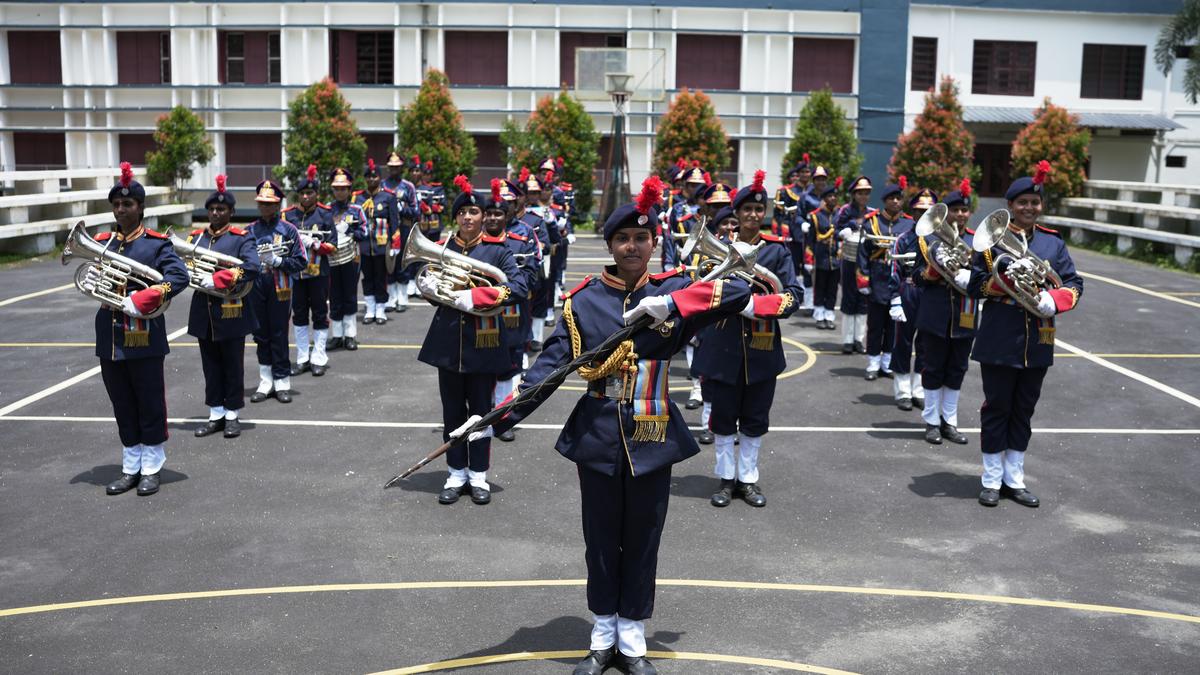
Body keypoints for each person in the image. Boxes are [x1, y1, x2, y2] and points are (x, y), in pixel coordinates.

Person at [455, 177, 756, 675]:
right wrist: (493, 418)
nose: (632, 247)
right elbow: (548, 370)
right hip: (597, 432)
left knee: (643, 536)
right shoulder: (583, 301)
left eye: (641, 238)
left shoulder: (675, 288)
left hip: (653, 430)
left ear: (654, 243)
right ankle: (601, 636)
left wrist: (673, 305)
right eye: (623, 239)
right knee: (599, 537)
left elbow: (740, 289)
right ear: (610, 246)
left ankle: (632, 639)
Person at [967, 163, 1083, 508]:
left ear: (1041, 205)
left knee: (1024, 409)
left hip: (1038, 337)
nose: (1029, 208)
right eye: (1022, 202)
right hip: (1000, 335)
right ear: (1010, 205)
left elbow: (1073, 282)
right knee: (997, 407)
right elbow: (973, 285)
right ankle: (991, 479)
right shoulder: (990, 242)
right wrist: (1003, 280)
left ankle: (1014, 479)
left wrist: (1054, 300)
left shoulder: (1052, 242)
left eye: (1035, 202)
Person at [692, 170, 802, 509]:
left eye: (758, 209)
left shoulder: (777, 253)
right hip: (722, 347)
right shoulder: (719, 249)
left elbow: (793, 295)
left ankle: (748, 479)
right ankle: (726, 479)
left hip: (762, 350)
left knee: (755, 418)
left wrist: (756, 306)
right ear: (737, 213)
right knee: (723, 418)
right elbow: (700, 291)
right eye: (747, 210)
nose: (753, 215)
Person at [418, 176, 527, 506]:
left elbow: (518, 288)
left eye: (474, 212)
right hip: (448, 343)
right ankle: (456, 473)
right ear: (456, 217)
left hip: (485, 342)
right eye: (462, 212)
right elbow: (433, 288)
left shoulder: (497, 251)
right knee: (452, 412)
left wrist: (476, 296)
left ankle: (478, 474)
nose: (468, 217)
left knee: (480, 414)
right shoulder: (443, 249)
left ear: (483, 217)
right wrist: (430, 291)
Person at [91, 162, 189, 496]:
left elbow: (178, 278)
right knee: (121, 403)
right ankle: (130, 466)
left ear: (141, 207)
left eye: (127, 204)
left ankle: (151, 467)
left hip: (143, 334)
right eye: (116, 204)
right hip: (110, 337)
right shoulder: (104, 243)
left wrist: (143, 298)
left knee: (149, 403)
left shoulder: (157, 245)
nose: (121, 209)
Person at [188, 175, 260, 439]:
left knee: (232, 366)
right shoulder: (196, 238)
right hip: (204, 312)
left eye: (221, 209)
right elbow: (184, 266)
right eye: (212, 209)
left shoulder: (241, 238)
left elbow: (252, 267)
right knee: (210, 366)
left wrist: (218, 278)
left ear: (232, 212)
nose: (216, 213)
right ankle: (215, 414)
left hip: (231, 311)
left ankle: (232, 415)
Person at [911, 179, 977, 445]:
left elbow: (986, 278)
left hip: (965, 311)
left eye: (964, 210)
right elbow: (915, 276)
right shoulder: (928, 239)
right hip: (935, 312)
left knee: (957, 368)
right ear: (946, 212)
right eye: (956, 209)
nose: (960, 214)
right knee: (933, 367)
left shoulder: (976, 241)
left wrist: (971, 276)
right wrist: (929, 273)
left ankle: (950, 421)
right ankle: (931, 422)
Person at [483, 178, 540, 444]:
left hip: (512, 312)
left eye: (502, 209)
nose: (496, 216)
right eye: (491, 211)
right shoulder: (476, 239)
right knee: (482, 363)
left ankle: (503, 416)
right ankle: (483, 412)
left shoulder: (524, 235)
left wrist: (503, 290)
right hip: (480, 313)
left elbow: (532, 275)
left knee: (510, 364)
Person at [248, 179, 308, 404]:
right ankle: (266, 381)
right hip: (255, 289)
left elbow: (301, 261)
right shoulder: (249, 230)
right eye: (261, 203)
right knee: (260, 335)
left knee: (279, 334)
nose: (264, 207)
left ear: (277, 205)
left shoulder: (288, 229)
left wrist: (278, 261)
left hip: (280, 288)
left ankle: (282, 381)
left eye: (269, 203)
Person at [857, 177, 914, 379]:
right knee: (876, 324)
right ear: (884, 200)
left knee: (893, 325)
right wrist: (863, 279)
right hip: (878, 277)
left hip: (900, 279)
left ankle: (887, 363)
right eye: (891, 198)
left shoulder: (909, 223)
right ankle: (873, 363)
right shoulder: (872, 222)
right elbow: (863, 252)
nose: (895, 202)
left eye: (898, 198)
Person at [283, 164, 336, 377]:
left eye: (310, 193)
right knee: (299, 314)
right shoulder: (289, 215)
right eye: (303, 193)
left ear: (316, 194)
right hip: (296, 274)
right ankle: (303, 357)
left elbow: (333, 246)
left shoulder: (325, 215)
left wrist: (314, 244)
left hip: (318, 273)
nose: (306, 197)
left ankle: (319, 357)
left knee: (320, 313)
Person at [886, 187, 934, 410]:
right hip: (908, 292)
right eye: (919, 211)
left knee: (926, 344)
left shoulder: (939, 239)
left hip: (930, 294)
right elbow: (894, 270)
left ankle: (919, 389)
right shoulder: (903, 239)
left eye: (928, 211)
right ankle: (903, 391)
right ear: (913, 213)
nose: (923, 215)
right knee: (902, 342)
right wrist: (895, 299)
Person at [326, 168, 369, 351]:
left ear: (350, 189)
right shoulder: (327, 209)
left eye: (343, 188)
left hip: (352, 258)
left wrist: (350, 230)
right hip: (331, 258)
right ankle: (337, 335)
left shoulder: (357, 209)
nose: (340, 192)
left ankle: (350, 335)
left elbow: (365, 232)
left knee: (350, 295)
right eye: (336, 188)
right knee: (334, 295)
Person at [354, 158, 400, 325]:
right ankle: (370, 308)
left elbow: (394, 222)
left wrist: (395, 244)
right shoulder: (358, 198)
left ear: (380, 178)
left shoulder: (388, 197)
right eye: (368, 176)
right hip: (364, 246)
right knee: (367, 277)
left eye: (375, 176)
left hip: (381, 245)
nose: (371, 179)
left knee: (381, 278)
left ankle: (380, 309)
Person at [834, 176, 873, 354]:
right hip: (849, 259)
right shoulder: (845, 210)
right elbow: (835, 231)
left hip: (866, 261)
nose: (863, 196)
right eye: (860, 193)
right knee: (849, 298)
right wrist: (845, 230)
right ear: (854, 194)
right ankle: (848, 340)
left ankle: (859, 339)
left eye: (866, 193)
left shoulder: (873, 213)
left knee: (863, 299)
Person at [382, 151, 419, 312]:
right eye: (391, 167)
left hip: (404, 228)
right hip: (386, 229)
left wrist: (400, 208)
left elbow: (415, 210)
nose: (394, 169)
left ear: (402, 168)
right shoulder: (382, 185)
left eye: (397, 167)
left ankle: (403, 297)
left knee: (403, 261)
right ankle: (391, 298)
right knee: (388, 262)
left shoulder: (408, 186)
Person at [805, 179, 842, 330]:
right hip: (821, 258)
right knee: (820, 288)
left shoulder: (840, 215)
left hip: (836, 259)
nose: (833, 198)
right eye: (829, 196)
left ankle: (829, 316)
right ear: (824, 199)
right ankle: (819, 316)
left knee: (832, 289)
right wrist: (808, 260)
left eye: (835, 196)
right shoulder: (816, 216)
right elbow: (810, 241)